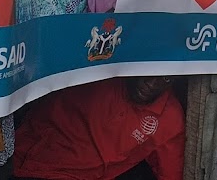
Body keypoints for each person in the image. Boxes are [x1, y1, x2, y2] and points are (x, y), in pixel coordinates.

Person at [12, 77, 184, 180]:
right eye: (150, 71)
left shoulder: (169, 117)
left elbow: (171, 172)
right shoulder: (100, 74)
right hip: (33, 158)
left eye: (165, 79)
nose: (152, 83)